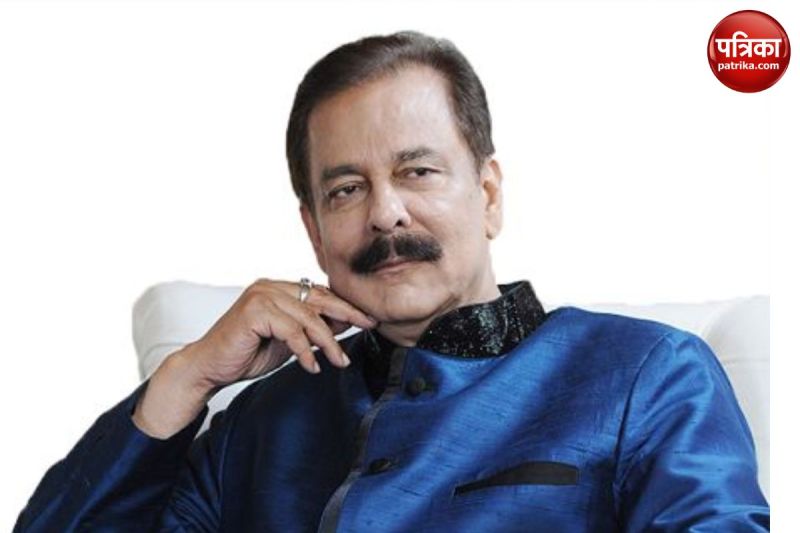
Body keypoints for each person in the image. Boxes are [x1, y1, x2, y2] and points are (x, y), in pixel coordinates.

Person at [15, 30, 768, 532]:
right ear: (314, 231)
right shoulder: (255, 428)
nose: (385, 214)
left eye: (417, 171)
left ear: (488, 194)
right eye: (346, 189)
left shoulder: (645, 373)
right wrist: (186, 378)